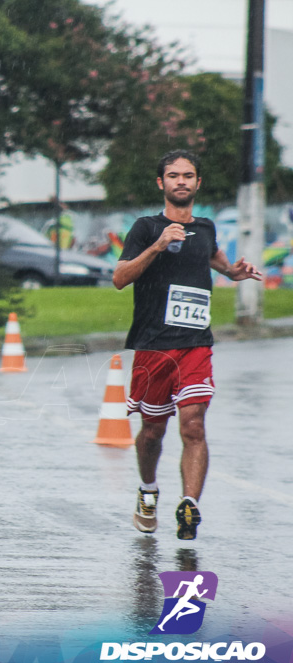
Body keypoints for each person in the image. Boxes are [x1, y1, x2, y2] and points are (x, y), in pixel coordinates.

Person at [113, 150, 262, 540]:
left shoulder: (207, 228)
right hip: (153, 345)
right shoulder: (146, 228)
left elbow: (214, 259)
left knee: (194, 425)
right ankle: (148, 491)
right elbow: (119, 278)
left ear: (198, 183)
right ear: (161, 183)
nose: (182, 181)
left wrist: (233, 271)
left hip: (196, 343)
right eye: (174, 175)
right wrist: (158, 246)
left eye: (189, 175)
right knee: (152, 433)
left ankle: (189, 507)